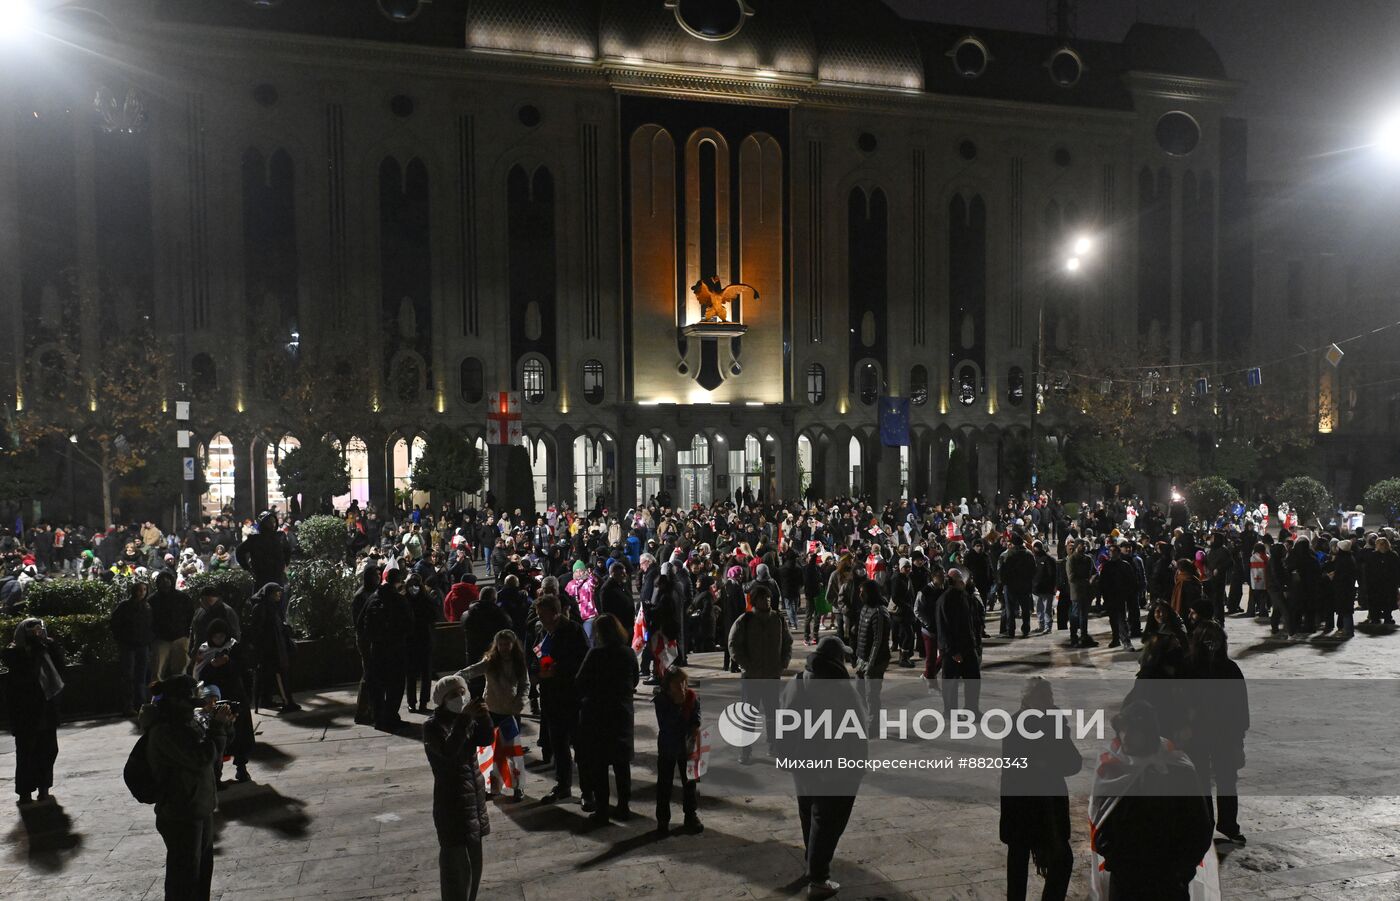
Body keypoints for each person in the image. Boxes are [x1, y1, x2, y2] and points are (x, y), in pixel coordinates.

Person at [1090, 700, 1214, 901]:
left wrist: (1180, 872)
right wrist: (1115, 857)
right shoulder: (1113, 767)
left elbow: (1198, 827)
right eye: (1123, 730)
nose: (1126, 737)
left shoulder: (1178, 770)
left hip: (1166, 882)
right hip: (1126, 880)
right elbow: (1100, 820)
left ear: (1148, 734)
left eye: (1134, 731)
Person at [776, 635, 867, 901]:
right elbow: (857, 731)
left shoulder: (799, 681)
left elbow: (782, 719)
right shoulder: (843, 689)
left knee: (809, 812)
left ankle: (811, 862)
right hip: (833, 766)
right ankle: (818, 878)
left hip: (802, 763)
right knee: (828, 820)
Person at [141, 673, 233, 900]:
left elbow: (215, 757)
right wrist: (216, 729)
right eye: (191, 700)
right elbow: (200, 758)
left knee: (202, 873)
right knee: (184, 878)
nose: (195, 706)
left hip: (199, 805)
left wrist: (222, 726)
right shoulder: (165, 731)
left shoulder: (186, 722)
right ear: (177, 701)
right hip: (181, 811)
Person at [1000, 677, 1082, 901]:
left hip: (1049, 806)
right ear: (1028, 699)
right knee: (1018, 862)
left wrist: (1047, 764)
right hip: (1022, 805)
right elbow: (1015, 768)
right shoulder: (1016, 724)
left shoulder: (1055, 721)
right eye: (1043, 696)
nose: (1048, 700)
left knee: (1061, 861)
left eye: (1050, 696)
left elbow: (1074, 762)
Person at [423, 675, 495, 901]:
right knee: (456, 870)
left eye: (462, 692)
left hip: (473, 800)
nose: (460, 697)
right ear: (442, 700)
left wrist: (483, 717)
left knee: (474, 867)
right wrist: (465, 719)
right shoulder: (432, 726)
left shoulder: (465, 719)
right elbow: (448, 753)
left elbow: (484, 740)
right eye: (453, 694)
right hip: (451, 804)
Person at [1184, 621, 1249, 845]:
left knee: (1227, 781)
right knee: (1200, 782)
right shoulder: (1190, 668)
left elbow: (1241, 706)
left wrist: (1239, 738)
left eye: (1216, 642)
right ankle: (1204, 825)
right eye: (1207, 642)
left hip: (1225, 734)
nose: (1212, 647)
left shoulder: (1229, 669)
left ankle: (1229, 825)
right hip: (1197, 734)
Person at [574, 613, 641, 824]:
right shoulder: (628, 653)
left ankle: (602, 810)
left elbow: (580, 682)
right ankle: (623, 806)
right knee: (622, 766)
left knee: (600, 765)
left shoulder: (595, 654)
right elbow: (635, 679)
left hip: (597, 715)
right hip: (621, 713)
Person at [457, 629, 530, 801]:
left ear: (513, 645)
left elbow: (525, 684)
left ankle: (518, 786)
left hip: (511, 711)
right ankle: (493, 786)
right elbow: (470, 671)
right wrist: (456, 681)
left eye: (507, 644)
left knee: (513, 752)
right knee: (491, 751)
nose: (504, 648)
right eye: (501, 644)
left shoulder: (519, 663)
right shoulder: (490, 662)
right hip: (491, 711)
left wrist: (520, 702)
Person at [727, 583, 794, 764]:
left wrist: (783, 663)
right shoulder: (745, 620)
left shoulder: (778, 619)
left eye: (769, 598)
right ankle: (745, 751)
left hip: (772, 674)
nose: (767, 601)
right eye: (763, 598)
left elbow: (787, 643)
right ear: (755, 600)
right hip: (752, 677)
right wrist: (745, 665)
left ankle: (774, 746)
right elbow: (733, 644)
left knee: (773, 714)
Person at [3, 618, 66, 803]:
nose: (37, 632)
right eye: (32, 630)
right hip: (25, 711)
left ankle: (44, 787)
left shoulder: (46, 647)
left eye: (39, 628)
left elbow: (60, 670)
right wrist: (36, 649)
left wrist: (50, 645)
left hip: (46, 708)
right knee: (26, 751)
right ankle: (25, 791)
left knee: (48, 749)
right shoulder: (14, 652)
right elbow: (27, 675)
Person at [535, 592, 590, 803]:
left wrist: (558, 670)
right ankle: (563, 785)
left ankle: (587, 791)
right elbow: (537, 655)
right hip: (550, 698)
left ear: (555, 613)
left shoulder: (573, 631)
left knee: (580, 747)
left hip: (571, 698)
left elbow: (584, 662)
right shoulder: (543, 633)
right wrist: (537, 672)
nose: (539, 618)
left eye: (542, 614)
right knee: (558, 746)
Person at [190, 619, 253, 783]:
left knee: (239, 734)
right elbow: (199, 676)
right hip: (214, 700)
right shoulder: (204, 650)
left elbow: (244, 668)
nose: (218, 639)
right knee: (217, 737)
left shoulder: (234, 647)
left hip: (236, 696)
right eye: (215, 636)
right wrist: (212, 665)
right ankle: (216, 774)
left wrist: (228, 662)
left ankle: (241, 767)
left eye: (221, 636)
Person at [653, 667, 703, 836]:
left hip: (687, 746)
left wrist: (695, 728)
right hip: (668, 746)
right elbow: (666, 725)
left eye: (683, 682)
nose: (681, 686)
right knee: (664, 783)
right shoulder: (662, 700)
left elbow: (696, 717)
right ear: (668, 685)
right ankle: (662, 820)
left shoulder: (691, 697)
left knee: (689, 783)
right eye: (676, 683)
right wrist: (678, 706)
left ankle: (691, 815)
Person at [364, 568, 414, 732]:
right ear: (399, 582)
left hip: (376, 649)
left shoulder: (373, 598)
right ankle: (391, 717)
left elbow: (361, 624)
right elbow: (409, 624)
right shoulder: (398, 600)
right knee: (396, 685)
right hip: (395, 649)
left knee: (379, 686)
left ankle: (379, 718)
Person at [246, 582, 299, 712]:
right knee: (280, 676)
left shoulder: (270, 606)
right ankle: (287, 702)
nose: (279, 595)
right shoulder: (261, 608)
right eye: (276, 593)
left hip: (274, 647)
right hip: (271, 649)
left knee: (272, 676)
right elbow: (258, 630)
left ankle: (268, 700)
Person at [936, 568, 980, 716]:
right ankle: (949, 711)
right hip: (953, 650)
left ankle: (972, 708)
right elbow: (944, 628)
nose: (964, 582)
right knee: (950, 683)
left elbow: (971, 621)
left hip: (968, 645)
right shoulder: (946, 600)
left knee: (973, 679)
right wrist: (953, 650)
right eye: (961, 580)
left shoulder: (964, 596)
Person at [111, 581, 154, 716]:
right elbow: (115, 624)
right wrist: (122, 639)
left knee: (141, 676)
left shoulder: (147, 607)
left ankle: (140, 704)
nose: (142, 593)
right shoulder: (125, 606)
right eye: (140, 590)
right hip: (129, 646)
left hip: (142, 645)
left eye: (144, 590)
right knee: (128, 676)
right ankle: (128, 705)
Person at [852, 579, 890, 731]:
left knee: (871, 695)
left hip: (875, 660)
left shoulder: (880, 612)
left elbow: (878, 640)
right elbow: (860, 632)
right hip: (862, 658)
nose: (860, 595)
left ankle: (873, 726)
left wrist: (871, 663)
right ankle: (867, 719)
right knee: (859, 691)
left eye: (863, 592)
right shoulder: (865, 608)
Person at [149, 570, 196, 680]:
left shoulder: (183, 598)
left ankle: (179, 694)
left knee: (180, 671)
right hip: (160, 640)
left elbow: (191, 615)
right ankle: (157, 695)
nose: (165, 583)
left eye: (167, 580)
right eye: (162, 580)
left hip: (180, 638)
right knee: (157, 671)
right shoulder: (153, 600)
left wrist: (186, 634)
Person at [405, 573, 440, 713]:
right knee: (424, 674)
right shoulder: (426, 599)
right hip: (422, 640)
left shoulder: (405, 599)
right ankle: (421, 702)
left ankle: (413, 702)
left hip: (413, 641)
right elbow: (435, 616)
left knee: (413, 674)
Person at [189, 583, 241, 651]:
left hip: (219, 653)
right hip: (201, 652)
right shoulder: (200, 610)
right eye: (202, 600)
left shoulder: (227, 611)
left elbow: (235, 635)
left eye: (208, 600)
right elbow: (195, 631)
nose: (204, 603)